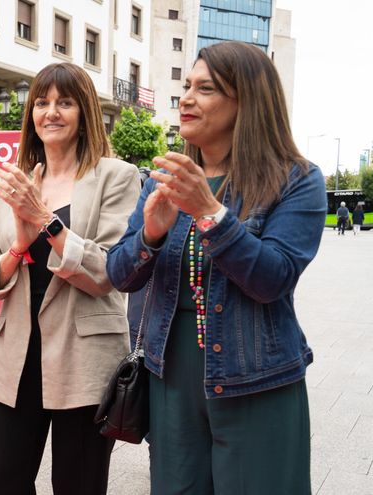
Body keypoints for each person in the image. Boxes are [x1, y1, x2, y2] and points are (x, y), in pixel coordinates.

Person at [106, 41, 326, 494]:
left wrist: (211, 213)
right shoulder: (162, 179)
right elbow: (119, 274)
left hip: (258, 378)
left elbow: (274, 278)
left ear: (246, 100)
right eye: (186, 85)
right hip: (171, 377)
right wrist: (149, 235)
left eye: (205, 88)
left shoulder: (297, 179)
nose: (186, 97)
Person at [0, 62, 140, 494]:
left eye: (64, 102)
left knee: (78, 484)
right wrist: (18, 247)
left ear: (84, 111)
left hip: (84, 358)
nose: (51, 112)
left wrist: (47, 221)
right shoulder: (13, 183)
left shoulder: (116, 176)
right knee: (3, 483)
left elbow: (109, 272)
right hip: (19, 357)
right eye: (42, 103)